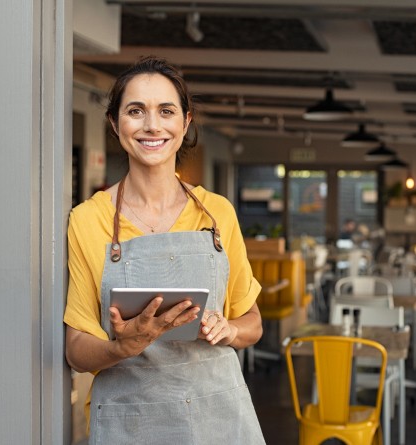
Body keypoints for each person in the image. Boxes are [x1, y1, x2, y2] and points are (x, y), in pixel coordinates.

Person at [63, 56, 265, 444]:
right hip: (131, 421)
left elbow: (252, 321)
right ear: (114, 123)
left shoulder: (217, 213)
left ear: (185, 123)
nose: (152, 125)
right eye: (135, 111)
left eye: (166, 111)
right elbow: (76, 350)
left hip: (217, 417)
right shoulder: (88, 220)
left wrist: (230, 328)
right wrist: (124, 345)